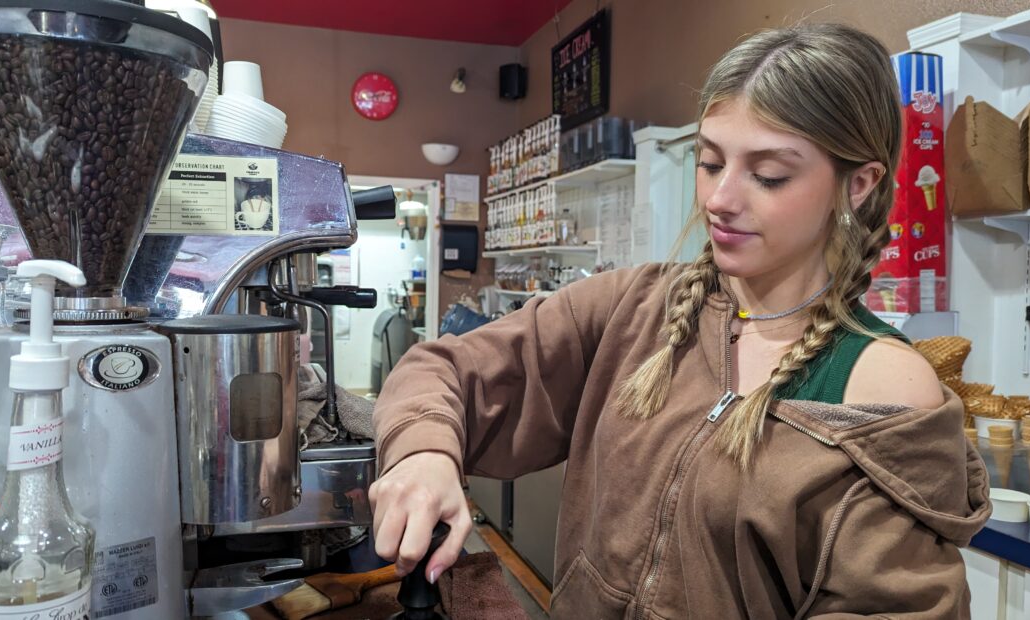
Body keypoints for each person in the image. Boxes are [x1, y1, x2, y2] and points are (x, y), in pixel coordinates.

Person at [370, 23, 991, 618]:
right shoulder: (631, 309)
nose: (720, 199)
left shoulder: (880, 385)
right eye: (711, 162)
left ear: (858, 184)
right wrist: (422, 453)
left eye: (769, 175)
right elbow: (443, 369)